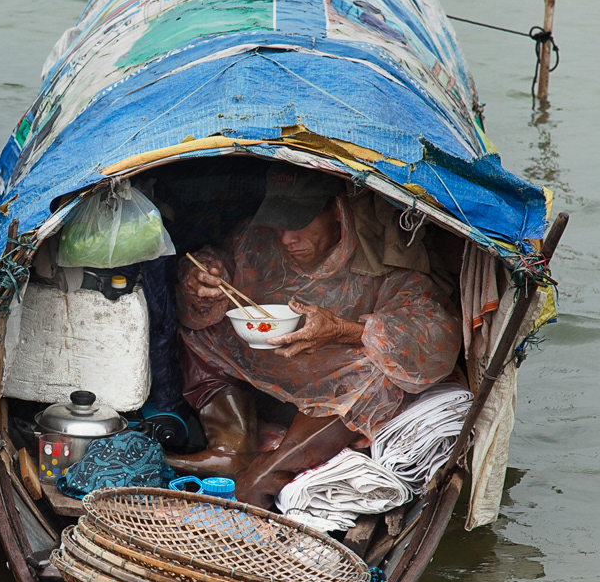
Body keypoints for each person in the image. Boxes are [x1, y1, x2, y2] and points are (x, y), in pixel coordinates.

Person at [172, 165, 459, 508]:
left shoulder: (385, 259)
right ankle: (231, 447)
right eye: (278, 224)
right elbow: (222, 264)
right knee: (199, 323)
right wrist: (203, 275)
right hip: (271, 363)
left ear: (336, 211)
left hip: (334, 381)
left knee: (380, 377)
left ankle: (270, 472)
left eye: (299, 223)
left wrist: (343, 330)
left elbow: (435, 341)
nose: (285, 238)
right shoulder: (259, 240)